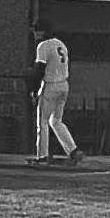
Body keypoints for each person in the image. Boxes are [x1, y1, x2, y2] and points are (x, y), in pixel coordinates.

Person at [30, 20, 83, 166]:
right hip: (64, 85)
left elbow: (39, 69)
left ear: (41, 32)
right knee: (56, 121)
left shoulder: (43, 46)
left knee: (43, 122)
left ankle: (42, 156)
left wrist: (34, 90)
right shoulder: (61, 44)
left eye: (36, 31)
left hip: (51, 85)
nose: (34, 34)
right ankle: (73, 150)